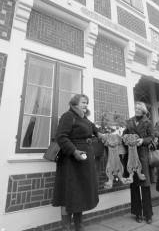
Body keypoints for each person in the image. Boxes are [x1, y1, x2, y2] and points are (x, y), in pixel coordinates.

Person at [53, 94, 102, 231]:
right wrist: (74, 151)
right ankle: (66, 227)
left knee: (80, 192)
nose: (86, 105)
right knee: (68, 194)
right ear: (75, 103)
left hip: (83, 161)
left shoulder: (83, 118)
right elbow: (61, 137)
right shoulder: (68, 116)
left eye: (87, 103)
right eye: (83, 102)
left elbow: (92, 127)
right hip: (70, 162)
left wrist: (99, 134)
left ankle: (79, 225)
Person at [123, 101, 154, 224]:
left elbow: (152, 137)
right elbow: (124, 134)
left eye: (139, 108)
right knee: (134, 184)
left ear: (143, 110)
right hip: (131, 155)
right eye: (135, 107)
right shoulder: (130, 121)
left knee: (145, 185)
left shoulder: (148, 122)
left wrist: (143, 140)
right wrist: (125, 138)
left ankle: (148, 214)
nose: (136, 109)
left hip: (142, 155)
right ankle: (137, 213)